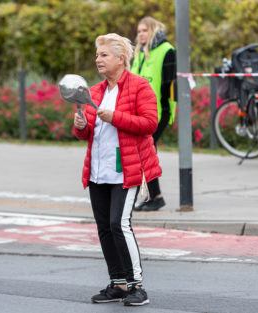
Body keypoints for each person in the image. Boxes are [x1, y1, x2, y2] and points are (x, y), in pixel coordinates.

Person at [73, 33, 161, 306]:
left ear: (120, 59)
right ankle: (118, 283)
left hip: (127, 170)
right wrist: (80, 126)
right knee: (104, 228)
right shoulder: (96, 92)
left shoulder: (139, 86)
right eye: (97, 55)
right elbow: (86, 134)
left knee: (119, 224)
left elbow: (150, 124)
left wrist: (116, 117)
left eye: (104, 55)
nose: (98, 60)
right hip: (98, 171)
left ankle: (137, 285)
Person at [131, 16, 177, 212]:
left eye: (144, 30)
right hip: (139, 113)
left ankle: (155, 196)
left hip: (159, 111)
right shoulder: (140, 52)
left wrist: (168, 113)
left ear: (153, 31)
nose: (141, 34)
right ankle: (153, 196)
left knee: (145, 152)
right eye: (139, 31)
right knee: (144, 153)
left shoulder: (167, 51)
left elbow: (170, 86)